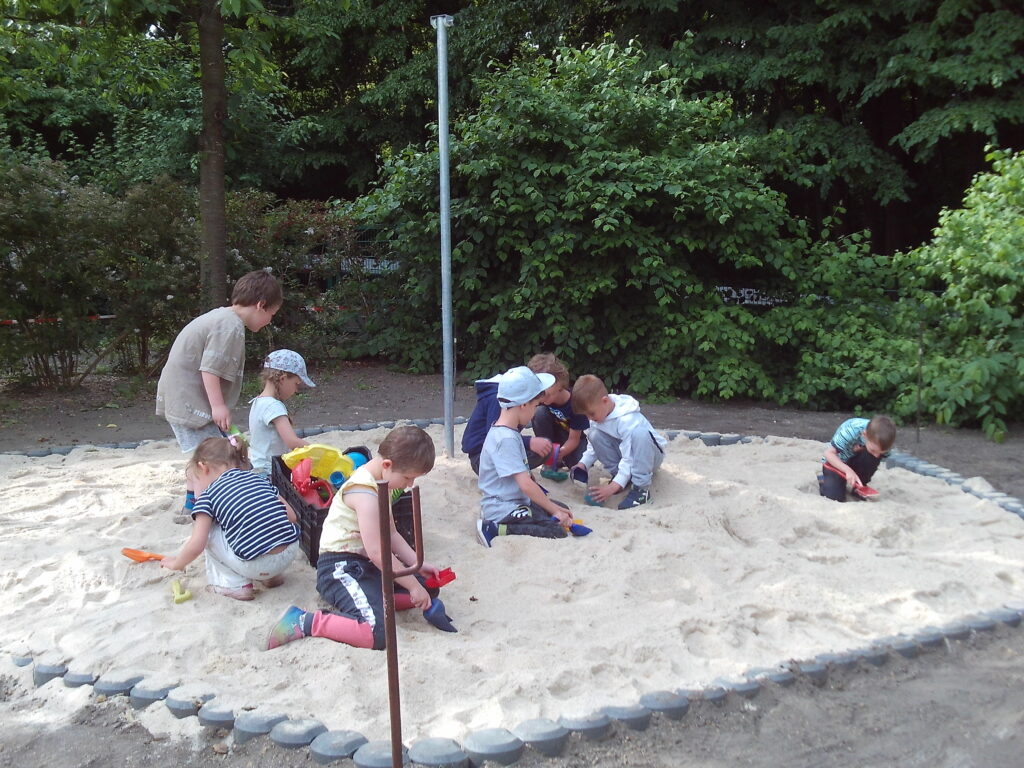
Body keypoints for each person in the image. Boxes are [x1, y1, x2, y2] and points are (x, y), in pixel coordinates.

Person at [266, 426, 455, 650]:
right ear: (387, 465)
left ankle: (378, 600)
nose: (409, 485)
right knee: (376, 634)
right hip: (340, 568)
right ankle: (306, 621)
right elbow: (377, 552)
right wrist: (412, 585)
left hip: (365, 565)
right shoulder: (363, 493)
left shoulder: (381, 485)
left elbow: (392, 534)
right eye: (408, 478)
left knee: (429, 588)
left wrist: (416, 565)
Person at [156, 270, 282, 522]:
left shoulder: (222, 317)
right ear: (260, 305)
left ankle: (192, 505)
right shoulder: (230, 326)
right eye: (271, 314)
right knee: (214, 459)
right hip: (192, 405)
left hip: (184, 399)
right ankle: (206, 511)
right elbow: (209, 369)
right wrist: (218, 407)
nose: (269, 320)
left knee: (219, 447)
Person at [160, 436, 300, 601]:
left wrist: (178, 563)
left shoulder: (208, 495)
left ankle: (236, 585)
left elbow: (198, 543)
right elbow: (291, 516)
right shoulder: (258, 479)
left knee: (208, 530)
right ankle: (272, 577)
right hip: (289, 553)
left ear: (203, 467)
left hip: (257, 565)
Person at [476, 366, 574, 547]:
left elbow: (526, 478)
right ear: (523, 405)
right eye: (535, 406)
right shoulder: (505, 438)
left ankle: (509, 518)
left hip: (516, 499)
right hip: (502, 505)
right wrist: (553, 510)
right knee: (555, 530)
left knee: (562, 509)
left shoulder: (509, 431)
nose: (535, 412)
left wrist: (554, 509)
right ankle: (494, 527)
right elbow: (526, 485)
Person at [569, 374, 667, 509]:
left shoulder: (627, 419)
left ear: (605, 401)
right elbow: (593, 446)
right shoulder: (599, 415)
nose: (589, 418)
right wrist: (583, 464)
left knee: (640, 434)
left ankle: (641, 489)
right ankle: (621, 478)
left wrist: (613, 486)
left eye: (591, 414)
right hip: (625, 455)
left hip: (649, 457)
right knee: (595, 434)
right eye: (586, 415)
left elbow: (629, 457)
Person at [461, 362, 555, 475]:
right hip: (481, 458)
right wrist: (528, 442)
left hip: (493, 452)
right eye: (535, 405)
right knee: (536, 453)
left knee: (544, 450)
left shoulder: (511, 399)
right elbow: (496, 438)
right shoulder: (499, 401)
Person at [248, 349, 316, 476]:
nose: (296, 390)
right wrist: (316, 450)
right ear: (283, 379)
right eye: (296, 384)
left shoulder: (257, 402)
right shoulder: (274, 406)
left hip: (258, 468)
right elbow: (292, 441)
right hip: (270, 471)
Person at [527, 353, 589, 478]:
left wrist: (560, 452)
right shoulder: (540, 401)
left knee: (579, 463)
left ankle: (557, 459)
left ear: (560, 384)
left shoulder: (576, 403)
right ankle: (548, 460)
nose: (544, 398)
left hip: (570, 439)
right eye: (541, 393)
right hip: (550, 437)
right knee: (539, 413)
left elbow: (574, 439)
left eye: (549, 394)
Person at [820, 415, 896, 502]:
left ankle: (859, 486)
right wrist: (848, 471)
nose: (876, 455)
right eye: (874, 450)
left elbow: (876, 456)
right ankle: (823, 479)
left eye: (881, 452)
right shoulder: (851, 430)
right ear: (865, 435)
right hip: (836, 461)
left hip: (854, 458)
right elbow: (828, 454)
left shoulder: (885, 442)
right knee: (835, 497)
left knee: (871, 457)